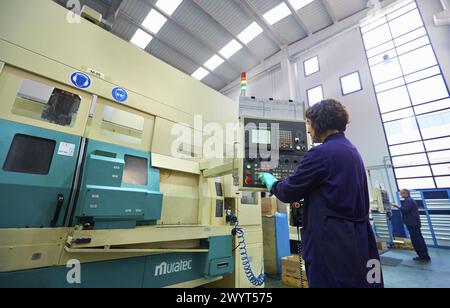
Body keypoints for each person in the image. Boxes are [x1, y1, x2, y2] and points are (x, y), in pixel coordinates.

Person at [259, 99, 383, 288]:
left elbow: (287, 192)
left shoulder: (320, 153)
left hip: (330, 240)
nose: (308, 130)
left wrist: (271, 182)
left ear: (319, 122)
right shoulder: (352, 150)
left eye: (309, 123)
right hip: (358, 237)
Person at [393, 189, 431, 262]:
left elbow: (405, 210)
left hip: (412, 224)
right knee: (418, 239)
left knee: (416, 240)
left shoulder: (409, 201)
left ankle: (423, 256)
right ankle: (423, 255)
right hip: (414, 223)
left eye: (402, 194)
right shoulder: (410, 200)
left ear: (406, 193)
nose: (401, 195)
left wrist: (397, 206)